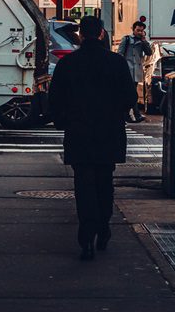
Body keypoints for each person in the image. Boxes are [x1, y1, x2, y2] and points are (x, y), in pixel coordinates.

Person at [48, 15, 137, 261]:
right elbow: (130, 98)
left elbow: (54, 100)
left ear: (81, 36)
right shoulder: (116, 63)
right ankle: (103, 226)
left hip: (79, 132)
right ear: (101, 34)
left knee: (83, 184)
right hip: (109, 133)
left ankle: (86, 234)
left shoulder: (68, 64)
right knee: (104, 181)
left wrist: (64, 120)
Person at [117, 21, 152, 122]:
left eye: (142, 31)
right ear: (133, 29)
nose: (140, 32)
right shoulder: (127, 39)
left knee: (131, 94)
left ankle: (126, 115)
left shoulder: (142, 41)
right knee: (132, 94)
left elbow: (149, 52)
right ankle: (135, 114)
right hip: (128, 70)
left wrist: (144, 40)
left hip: (136, 71)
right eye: (138, 30)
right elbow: (120, 53)